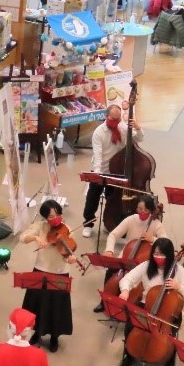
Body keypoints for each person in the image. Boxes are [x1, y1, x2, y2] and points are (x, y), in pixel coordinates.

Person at [118, 238, 184, 366]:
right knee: (130, 324)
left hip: (168, 312)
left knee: (171, 333)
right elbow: (127, 279)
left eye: (162, 254)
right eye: (156, 253)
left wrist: (179, 287)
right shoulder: (146, 266)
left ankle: (168, 360)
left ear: (170, 255)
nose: (158, 257)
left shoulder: (179, 270)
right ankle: (129, 354)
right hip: (147, 306)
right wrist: (125, 290)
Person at [18, 200, 78, 352]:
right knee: (37, 306)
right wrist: (36, 238)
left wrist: (70, 259)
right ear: (45, 217)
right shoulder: (40, 227)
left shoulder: (67, 229)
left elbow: (66, 255)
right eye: (51, 216)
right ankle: (37, 333)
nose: (55, 218)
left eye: (58, 214)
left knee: (56, 308)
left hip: (59, 272)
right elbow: (22, 237)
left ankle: (54, 337)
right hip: (41, 270)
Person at [93, 195, 166, 313]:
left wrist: (152, 238)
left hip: (143, 261)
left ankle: (133, 306)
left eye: (146, 210)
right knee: (111, 271)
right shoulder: (131, 219)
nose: (142, 212)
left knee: (142, 280)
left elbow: (166, 243)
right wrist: (109, 250)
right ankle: (104, 301)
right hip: (127, 255)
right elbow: (113, 234)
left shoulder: (156, 224)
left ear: (152, 211)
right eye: (139, 209)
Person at [82, 104, 144, 238]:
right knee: (92, 199)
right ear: (106, 116)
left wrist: (138, 129)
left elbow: (139, 139)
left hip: (117, 171)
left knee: (113, 201)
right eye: (113, 118)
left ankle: (108, 223)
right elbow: (97, 156)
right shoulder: (99, 132)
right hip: (101, 170)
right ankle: (88, 224)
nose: (116, 122)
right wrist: (97, 175)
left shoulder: (123, 128)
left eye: (118, 119)